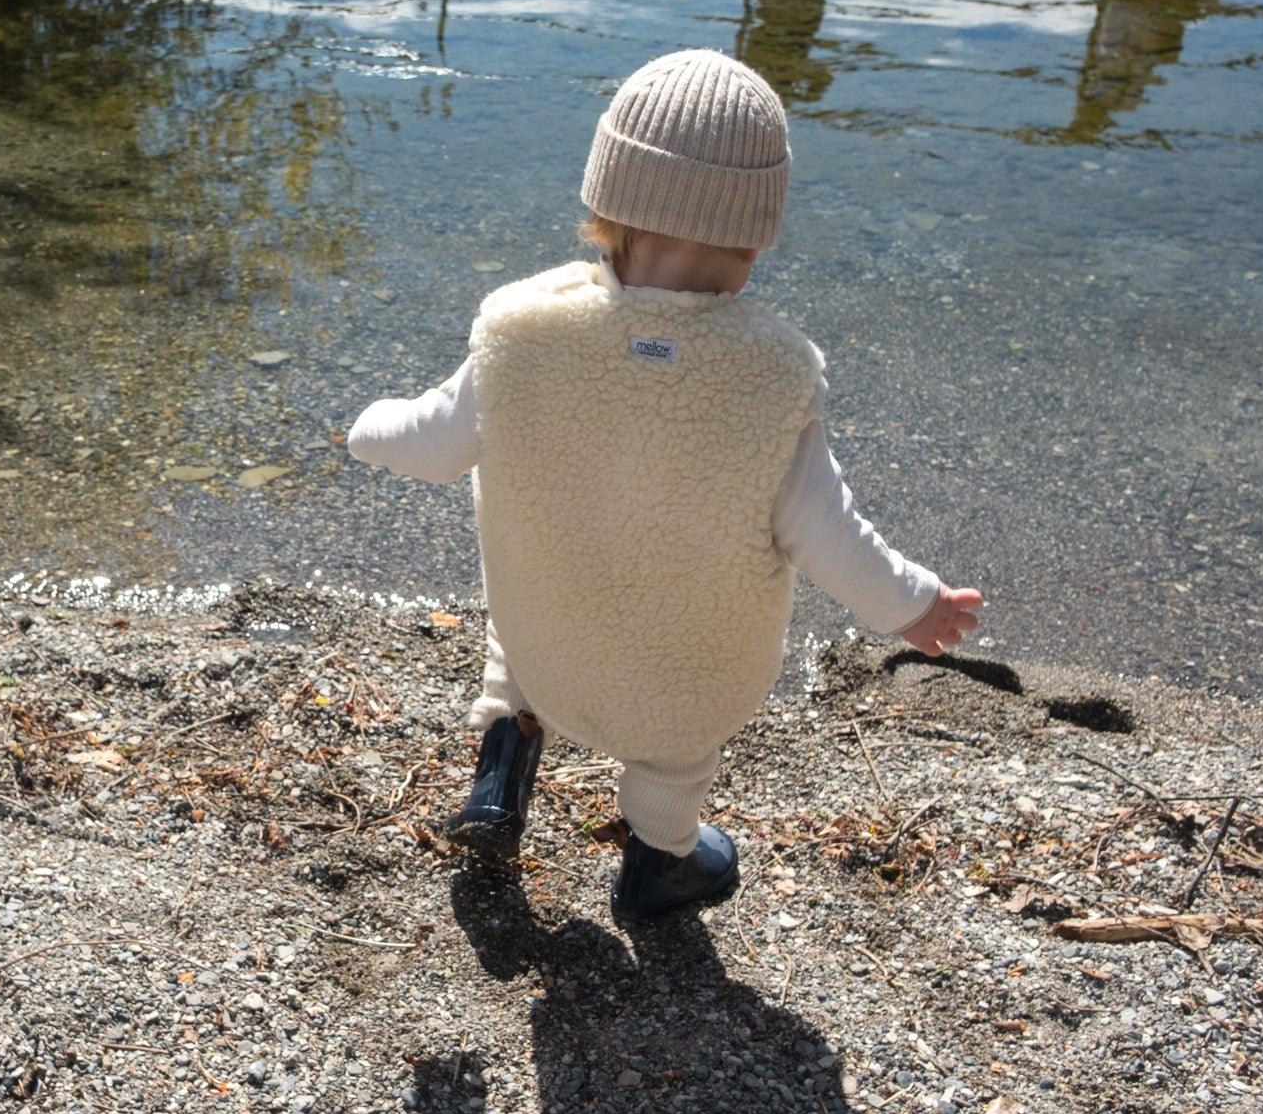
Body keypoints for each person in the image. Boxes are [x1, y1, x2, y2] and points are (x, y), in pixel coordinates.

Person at [347, 49, 983, 919]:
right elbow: (827, 530)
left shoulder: (523, 335)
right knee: (677, 748)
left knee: (515, 642)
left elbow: (430, 440)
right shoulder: (770, 376)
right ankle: (660, 863)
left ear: (604, 202)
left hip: (549, 643)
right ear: (756, 235)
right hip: (685, 679)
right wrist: (914, 605)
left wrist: (367, 429)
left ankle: (499, 776)